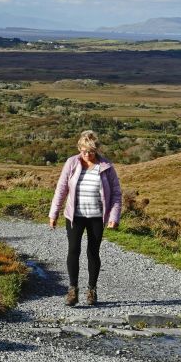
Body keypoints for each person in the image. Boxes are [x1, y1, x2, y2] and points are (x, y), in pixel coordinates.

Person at [48, 130, 122, 306]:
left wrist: (114, 216)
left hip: (97, 216)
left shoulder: (106, 166)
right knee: (73, 250)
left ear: (97, 150)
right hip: (75, 216)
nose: (87, 155)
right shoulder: (71, 163)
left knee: (93, 252)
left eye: (91, 151)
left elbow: (116, 195)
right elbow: (61, 189)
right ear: (79, 148)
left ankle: (92, 290)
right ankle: (73, 290)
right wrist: (54, 213)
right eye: (84, 151)